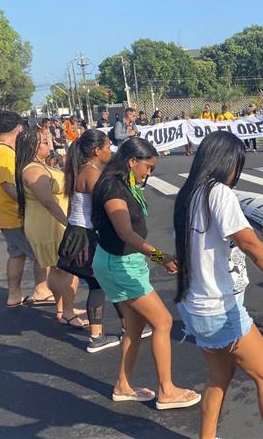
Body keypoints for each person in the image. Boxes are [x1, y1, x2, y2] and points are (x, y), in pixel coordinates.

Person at [173, 132, 263, 439]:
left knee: (219, 376)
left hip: (194, 307)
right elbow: (252, 245)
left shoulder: (188, 194)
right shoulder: (219, 193)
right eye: (237, 164)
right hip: (220, 307)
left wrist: (160, 257)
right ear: (226, 162)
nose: (237, 171)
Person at [91, 138, 201, 409]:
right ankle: (167, 390)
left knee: (136, 325)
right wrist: (161, 258)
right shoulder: (113, 188)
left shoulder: (121, 183)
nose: (149, 173)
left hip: (124, 261)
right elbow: (125, 232)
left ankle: (123, 385)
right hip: (119, 265)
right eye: (147, 167)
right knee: (162, 322)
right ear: (132, 162)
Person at [15, 128, 86, 327]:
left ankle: (63, 309)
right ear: (32, 147)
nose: (50, 143)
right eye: (45, 142)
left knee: (58, 268)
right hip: (51, 225)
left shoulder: (41, 166)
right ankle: (69, 312)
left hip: (54, 223)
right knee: (67, 269)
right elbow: (48, 202)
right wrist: (69, 224)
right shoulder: (33, 171)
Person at [61, 130, 123, 352]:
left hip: (78, 234)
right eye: (108, 147)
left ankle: (116, 329)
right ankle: (100, 336)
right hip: (87, 237)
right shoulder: (92, 174)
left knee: (102, 282)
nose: (110, 151)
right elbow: (106, 208)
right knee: (104, 282)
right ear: (97, 151)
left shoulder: (82, 171)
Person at [0, 111, 54, 308]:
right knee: (42, 253)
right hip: (14, 215)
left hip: (8, 215)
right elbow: (9, 186)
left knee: (17, 254)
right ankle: (42, 291)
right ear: (18, 129)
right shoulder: (3, 152)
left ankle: (14, 295)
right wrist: (32, 202)